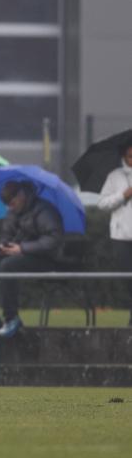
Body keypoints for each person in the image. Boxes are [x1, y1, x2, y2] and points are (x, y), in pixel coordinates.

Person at [0, 181, 63, 339]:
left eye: (12, 203)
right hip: (20, 253)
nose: (9, 208)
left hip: (45, 259)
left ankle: (11, 318)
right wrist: (1, 245)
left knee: (8, 265)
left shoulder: (45, 210)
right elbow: (7, 235)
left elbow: (53, 240)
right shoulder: (13, 211)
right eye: (7, 204)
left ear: (21, 196)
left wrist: (22, 248)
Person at [97, 139, 132, 325]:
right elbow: (103, 204)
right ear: (124, 157)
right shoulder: (114, 176)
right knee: (127, 277)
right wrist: (123, 195)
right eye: (130, 156)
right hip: (121, 236)